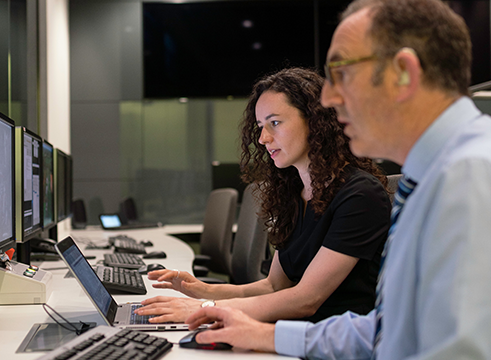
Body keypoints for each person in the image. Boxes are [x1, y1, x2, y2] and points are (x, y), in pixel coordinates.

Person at [184, 0, 491, 359]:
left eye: (341, 73)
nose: (328, 98)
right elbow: (384, 330)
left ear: (403, 73)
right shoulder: (429, 178)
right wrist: (264, 335)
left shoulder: (470, 175)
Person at [134, 67, 391, 325]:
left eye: (275, 123)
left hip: (332, 344)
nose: (263, 138)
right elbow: (273, 287)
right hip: (289, 335)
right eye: (260, 126)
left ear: (315, 121)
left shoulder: (360, 195)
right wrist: (201, 290)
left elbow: (307, 299)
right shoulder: (292, 194)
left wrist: (204, 308)